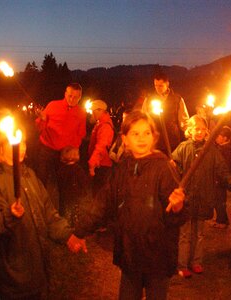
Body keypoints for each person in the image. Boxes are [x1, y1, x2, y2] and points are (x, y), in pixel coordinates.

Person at [75, 110, 187, 300]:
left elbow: (178, 215)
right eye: (135, 133)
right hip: (130, 254)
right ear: (125, 139)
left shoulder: (163, 168)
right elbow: (104, 202)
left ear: (154, 137)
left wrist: (178, 206)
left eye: (146, 133)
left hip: (158, 256)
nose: (141, 138)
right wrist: (79, 231)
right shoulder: (122, 168)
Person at [0, 111, 86, 299]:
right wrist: (9, 214)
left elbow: (48, 212)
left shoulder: (29, 176)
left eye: (23, 143)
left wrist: (68, 236)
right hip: (12, 275)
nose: (20, 148)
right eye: (14, 144)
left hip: (37, 268)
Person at [172, 115, 231, 278]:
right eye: (196, 129)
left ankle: (196, 262)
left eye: (203, 129)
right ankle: (182, 264)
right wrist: (172, 165)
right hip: (187, 199)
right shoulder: (183, 147)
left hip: (203, 198)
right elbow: (173, 168)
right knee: (184, 234)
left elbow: (222, 170)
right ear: (190, 130)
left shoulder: (211, 150)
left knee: (199, 234)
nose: (200, 132)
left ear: (206, 132)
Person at [35, 83, 86, 210]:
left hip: (65, 154)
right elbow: (39, 128)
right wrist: (41, 119)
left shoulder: (81, 113)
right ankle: (40, 210)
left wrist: (74, 148)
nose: (72, 99)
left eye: (76, 97)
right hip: (46, 149)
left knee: (64, 186)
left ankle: (63, 214)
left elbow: (81, 134)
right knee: (41, 182)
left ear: (80, 97)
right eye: (70, 95)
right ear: (65, 93)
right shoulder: (53, 105)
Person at [142, 72, 189, 154]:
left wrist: (190, 133)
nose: (158, 88)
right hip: (155, 141)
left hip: (172, 140)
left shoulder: (177, 99)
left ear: (167, 84)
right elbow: (143, 119)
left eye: (160, 86)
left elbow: (184, 121)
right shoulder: (149, 100)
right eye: (155, 85)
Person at [214, 125, 231, 229]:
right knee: (218, 200)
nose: (216, 138)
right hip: (220, 179)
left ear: (225, 138)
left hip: (221, 180)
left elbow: (226, 166)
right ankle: (221, 219)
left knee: (220, 200)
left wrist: (220, 178)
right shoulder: (222, 148)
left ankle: (222, 222)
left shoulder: (226, 149)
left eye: (219, 136)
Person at [87, 100, 114, 189]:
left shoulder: (105, 126)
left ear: (100, 110)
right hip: (100, 163)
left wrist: (92, 162)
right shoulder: (100, 123)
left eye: (92, 111)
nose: (91, 113)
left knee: (100, 192)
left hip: (102, 164)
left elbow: (101, 146)